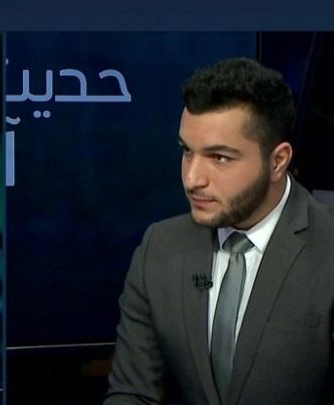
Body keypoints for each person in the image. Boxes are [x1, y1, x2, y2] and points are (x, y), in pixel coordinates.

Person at [104, 57, 334, 404]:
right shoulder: (159, 248)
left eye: (220, 158)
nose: (192, 178)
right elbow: (132, 394)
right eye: (187, 151)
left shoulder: (328, 249)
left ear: (278, 161)